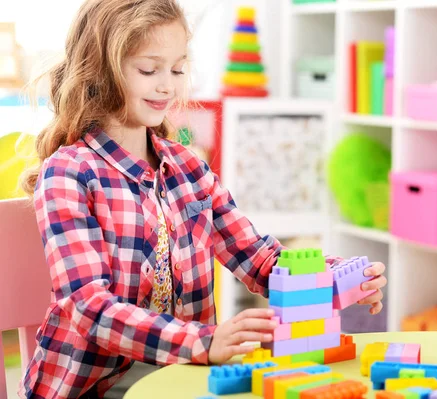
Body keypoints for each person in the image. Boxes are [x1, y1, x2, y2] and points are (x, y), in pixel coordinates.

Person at [17, 0, 387, 398]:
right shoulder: (70, 174)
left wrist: (336, 278)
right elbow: (90, 308)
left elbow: (261, 260)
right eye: (149, 69)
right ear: (100, 69)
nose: (168, 85)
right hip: (93, 386)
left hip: (184, 377)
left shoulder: (187, 168)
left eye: (177, 69)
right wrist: (204, 342)